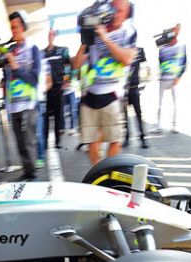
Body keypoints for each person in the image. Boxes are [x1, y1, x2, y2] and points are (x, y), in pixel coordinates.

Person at [72, 0, 137, 165]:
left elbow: (126, 59)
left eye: (121, 11)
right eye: (114, 9)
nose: (116, 14)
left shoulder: (128, 31)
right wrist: (85, 39)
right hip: (89, 93)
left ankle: (109, 173)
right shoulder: (94, 31)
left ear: (127, 12)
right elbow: (76, 65)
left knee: (115, 139)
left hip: (113, 93)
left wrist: (105, 38)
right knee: (91, 140)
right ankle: (97, 175)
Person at [3, 10, 41, 180]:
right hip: (13, 105)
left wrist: (15, 66)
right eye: (11, 27)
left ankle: (32, 174)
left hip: (28, 104)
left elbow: (34, 78)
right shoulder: (10, 49)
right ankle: (27, 171)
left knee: (28, 142)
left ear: (23, 27)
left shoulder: (32, 48)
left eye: (16, 27)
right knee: (19, 143)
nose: (14, 30)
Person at [42, 29, 71, 150]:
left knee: (59, 115)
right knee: (45, 116)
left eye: (52, 34)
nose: (50, 36)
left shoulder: (62, 50)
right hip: (46, 89)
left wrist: (67, 81)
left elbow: (68, 65)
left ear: (54, 36)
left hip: (58, 87)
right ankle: (45, 141)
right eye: (48, 34)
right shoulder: (41, 53)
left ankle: (57, 141)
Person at [155, 24, 186, 134]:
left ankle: (174, 125)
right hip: (163, 78)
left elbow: (184, 63)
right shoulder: (162, 49)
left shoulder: (181, 46)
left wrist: (178, 77)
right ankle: (158, 125)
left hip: (174, 79)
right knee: (160, 103)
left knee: (175, 104)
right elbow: (160, 62)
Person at [123, 47, 148, 148]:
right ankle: (126, 138)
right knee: (124, 116)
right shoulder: (121, 49)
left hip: (134, 87)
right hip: (123, 89)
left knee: (138, 114)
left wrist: (144, 83)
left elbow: (145, 67)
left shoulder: (139, 50)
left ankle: (142, 138)